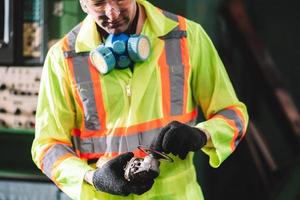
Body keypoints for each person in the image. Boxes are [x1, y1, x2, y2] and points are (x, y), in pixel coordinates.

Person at [31, 0, 249, 199]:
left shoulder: (187, 36)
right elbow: (47, 146)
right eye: (98, 3)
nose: (112, 12)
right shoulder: (63, 58)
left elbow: (233, 114)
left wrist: (203, 135)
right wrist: (92, 178)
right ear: (83, 4)